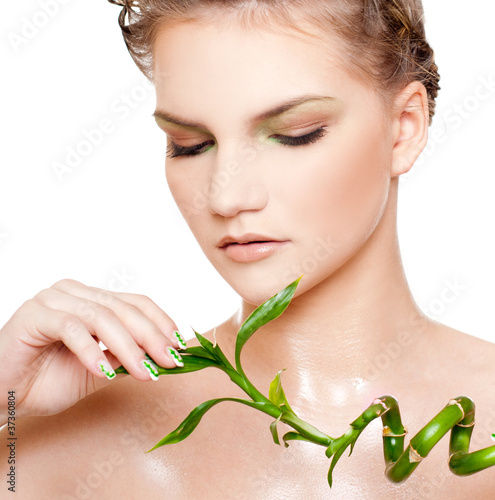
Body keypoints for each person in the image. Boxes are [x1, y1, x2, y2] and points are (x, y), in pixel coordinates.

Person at [1, 0, 494, 497]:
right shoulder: (61, 439)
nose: (225, 196)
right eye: (189, 145)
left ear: (404, 127)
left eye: (293, 135)